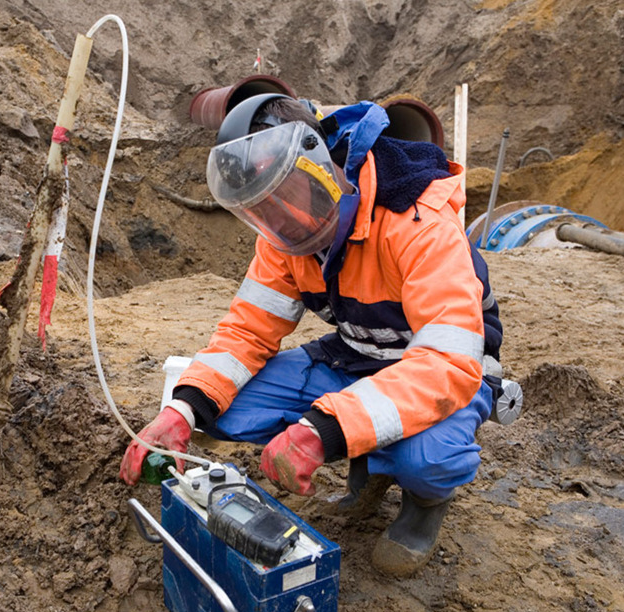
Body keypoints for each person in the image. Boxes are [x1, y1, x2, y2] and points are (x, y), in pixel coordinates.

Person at [120, 93, 503, 577]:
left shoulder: (417, 221)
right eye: (262, 210)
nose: (278, 221)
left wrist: (325, 430)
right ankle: (369, 464)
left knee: (426, 459)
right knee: (221, 412)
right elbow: (247, 331)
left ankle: (423, 505)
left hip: (447, 372)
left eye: (285, 196)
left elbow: (449, 363)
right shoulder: (282, 237)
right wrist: (182, 409)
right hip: (357, 354)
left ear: (320, 165)